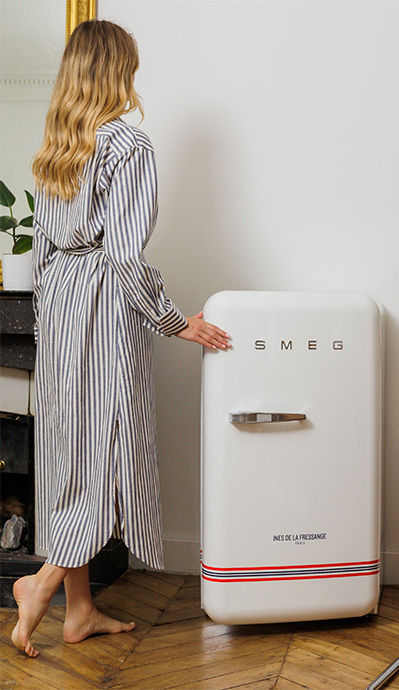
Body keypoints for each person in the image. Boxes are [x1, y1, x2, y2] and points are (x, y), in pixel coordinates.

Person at [11, 20, 230, 658]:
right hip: (104, 310)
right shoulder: (127, 145)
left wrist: (55, 316)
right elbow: (127, 259)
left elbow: (46, 255)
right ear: (118, 71)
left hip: (60, 313)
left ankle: (80, 611)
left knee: (69, 457)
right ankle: (43, 584)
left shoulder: (58, 150)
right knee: (107, 456)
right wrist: (174, 320)